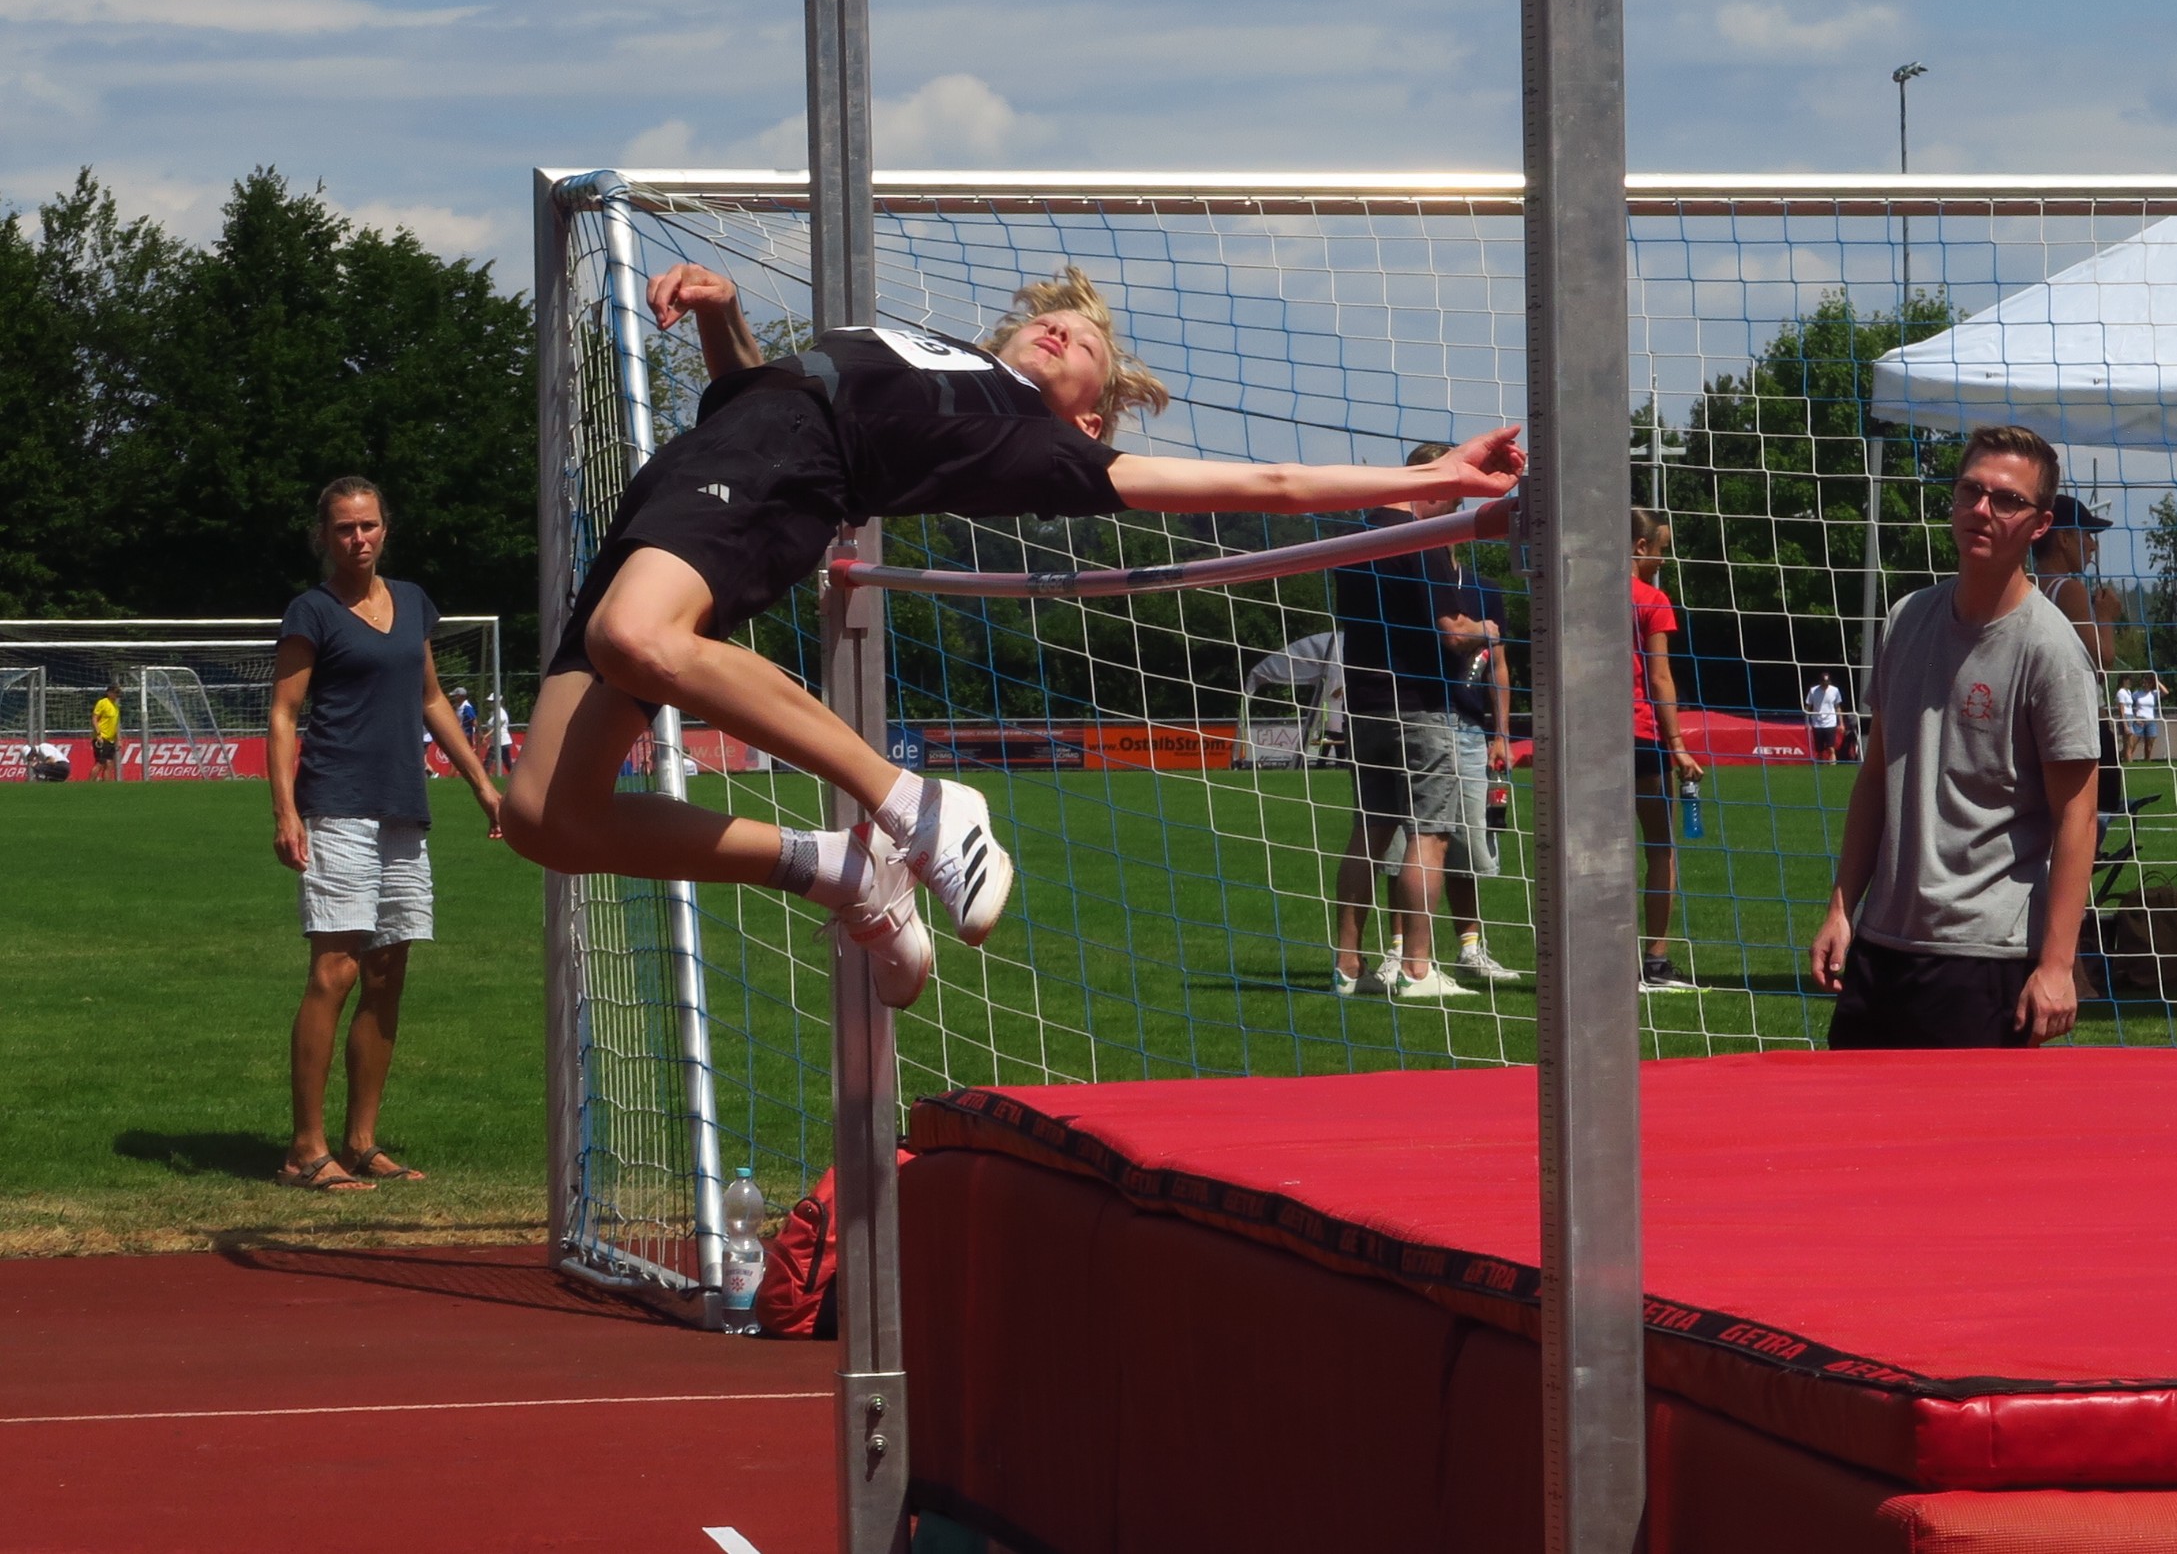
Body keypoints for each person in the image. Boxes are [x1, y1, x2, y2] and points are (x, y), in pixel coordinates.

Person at [499, 263, 1526, 1012]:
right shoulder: (923, 353)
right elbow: (755, 393)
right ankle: (835, 868)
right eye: (1052, 322)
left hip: (777, 478)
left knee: (637, 636)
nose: (1061, 334)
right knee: (546, 816)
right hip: (697, 473)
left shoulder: (1040, 443)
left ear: (1090, 419)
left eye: (1087, 348)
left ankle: (916, 803)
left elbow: (1273, 482)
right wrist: (724, 314)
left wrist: (1439, 480)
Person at [1809, 425, 2099, 1049]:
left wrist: (2056, 966)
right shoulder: (1906, 617)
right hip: (1882, 945)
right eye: (1972, 490)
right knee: (1847, 1112)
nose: (1983, 509)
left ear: (2040, 524)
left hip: (1984, 956)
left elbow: (2077, 816)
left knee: (1965, 1119)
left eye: (2008, 499)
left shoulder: (2050, 650)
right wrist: (1841, 907)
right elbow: (1875, 778)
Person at [269, 477, 503, 1191]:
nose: (358, 538)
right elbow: (283, 713)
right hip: (337, 804)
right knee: (335, 971)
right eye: (344, 528)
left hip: (404, 807)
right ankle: (304, 1150)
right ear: (324, 536)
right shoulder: (312, 611)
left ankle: (362, 1141)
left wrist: (483, 784)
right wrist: (285, 811)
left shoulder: (413, 602)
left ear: (385, 528)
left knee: (386, 973)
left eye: (368, 525)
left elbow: (431, 698)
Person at [1330, 443, 1518, 1000]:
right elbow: (1454, 634)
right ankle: (1417, 968)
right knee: (1430, 837)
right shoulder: (1423, 539)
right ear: (1433, 488)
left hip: (1364, 706)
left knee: (1368, 833)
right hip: (1421, 708)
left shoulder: (1355, 538)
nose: (1454, 513)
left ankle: (1348, 968)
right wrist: (1488, 629)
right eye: (1453, 500)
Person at [1631, 508, 1704, 992]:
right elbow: (1659, 677)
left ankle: (1594, 959)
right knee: (1660, 849)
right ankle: (1655, 962)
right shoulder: (1652, 599)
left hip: (1586, 739)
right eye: (1661, 549)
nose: (1664, 559)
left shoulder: (1580, 594)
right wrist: (1678, 746)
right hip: (1640, 736)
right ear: (1640, 547)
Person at [2032, 493, 2125, 815]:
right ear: (2064, 538)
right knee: (2090, 821)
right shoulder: (2069, 590)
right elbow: (2102, 661)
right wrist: (2106, 617)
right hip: (2081, 729)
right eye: (2087, 534)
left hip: (2040, 727)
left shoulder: (2028, 585)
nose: (2093, 545)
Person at [1803, 672, 1843, 764]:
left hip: (1830, 722)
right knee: (1819, 749)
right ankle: (1820, 765)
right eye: (1824, 683)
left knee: (1831, 747)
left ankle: (1833, 764)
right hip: (1817, 722)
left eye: (1827, 683)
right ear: (1820, 682)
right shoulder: (1813, 691)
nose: (1825, 685)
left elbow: (1838, 707)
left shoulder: (1835, 690)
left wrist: (1841, 723)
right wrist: (1807, 722)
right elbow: (1808, 707)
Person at [90, 683, 121, 782]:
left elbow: (115, 724)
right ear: (109, 693)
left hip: (110, 739)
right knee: (100, 763)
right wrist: (98, 734)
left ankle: (106, 785)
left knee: (109, 763)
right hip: (102, 737)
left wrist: (118, 739)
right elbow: (94, 718)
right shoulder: (103, 703)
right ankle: (89, 783)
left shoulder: (115, 707)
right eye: (115, 693)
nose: (117, 695)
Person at [482, 691, 517, 774]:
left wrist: (485, 736)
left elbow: (497, 727)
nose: (490, 703)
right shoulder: (494, 713)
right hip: (495, 741)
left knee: (490, 762)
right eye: (490, 701)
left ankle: (515, 776)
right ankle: (514, 775)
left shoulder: (501, 713)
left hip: (502, 741)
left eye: (492, 701)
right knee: (505, 763)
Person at [2116, 675, 2140, 762]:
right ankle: (2129, 761)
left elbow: (2129, 708)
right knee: (2128, 742)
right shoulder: (2121, 692)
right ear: (2123, 681)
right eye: (2128, 681)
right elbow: (2121, 709)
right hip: (2125, 717)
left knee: (2130, 742)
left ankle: (2121, 756)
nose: (2130, 683)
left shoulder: (2128, 692)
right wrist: (2125, 724)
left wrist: (2135, 719)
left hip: (2130, 716)